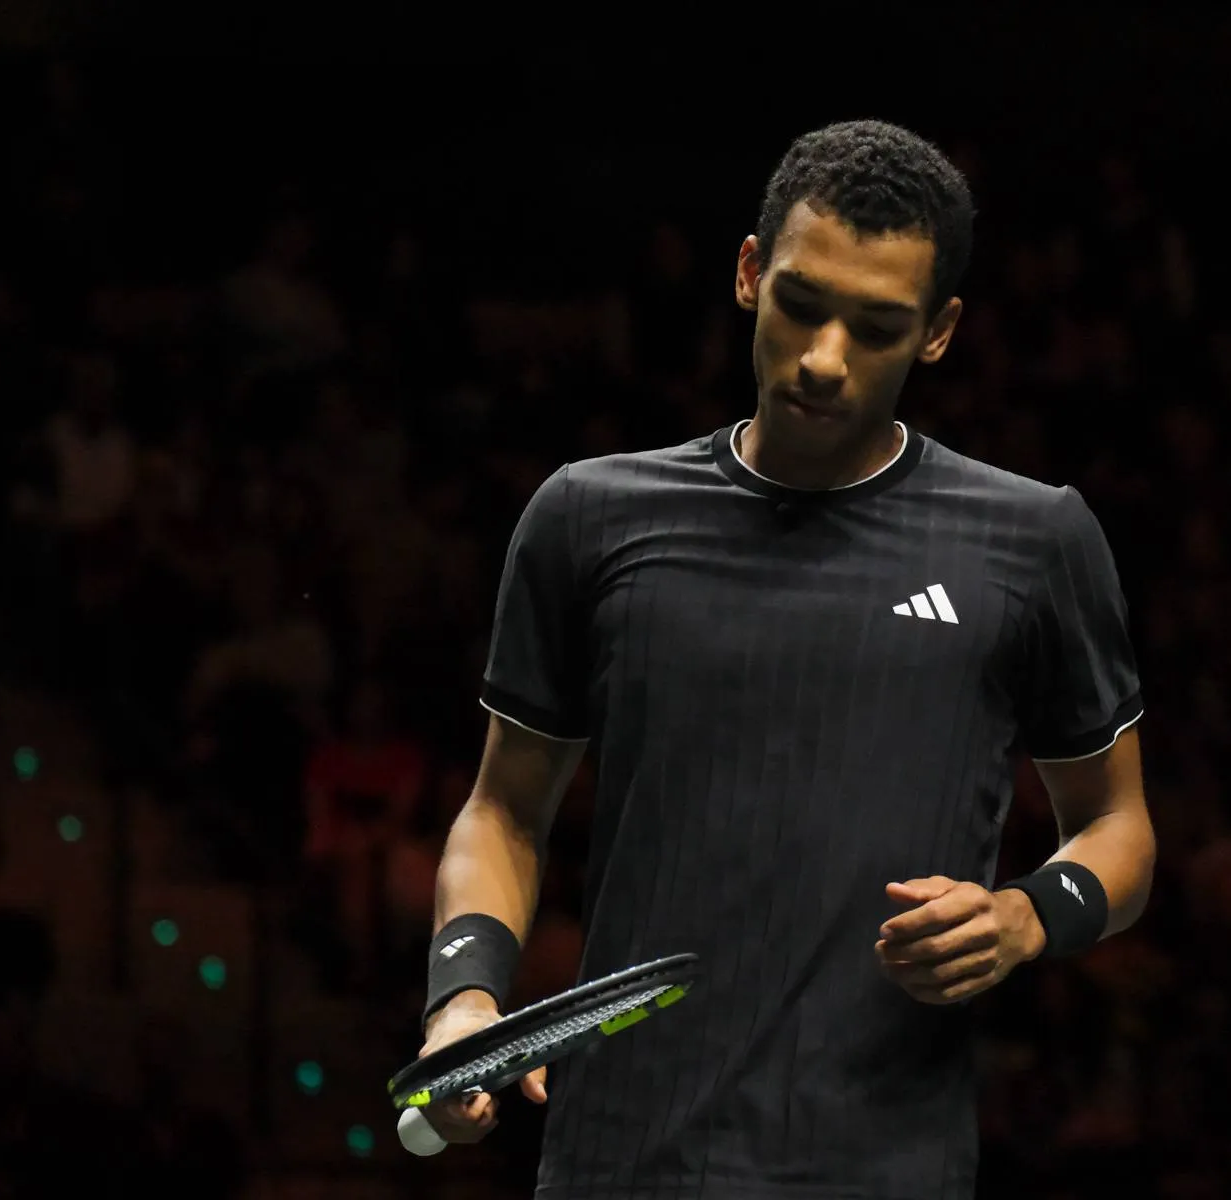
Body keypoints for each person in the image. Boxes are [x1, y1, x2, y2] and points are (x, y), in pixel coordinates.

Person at [416, 119, 1158, 1199]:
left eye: (877, 328)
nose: (823, 360)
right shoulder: (589, 518)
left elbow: (1120, 827)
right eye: (802, 305)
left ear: (939, 333)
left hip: (886, 1168)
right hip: (619, 1164)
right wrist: (465, 999)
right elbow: (504, 812)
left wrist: (1030, 915)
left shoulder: (1034, 541)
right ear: (749, 272)